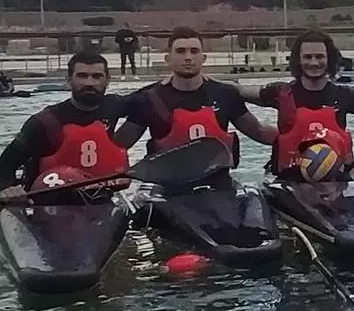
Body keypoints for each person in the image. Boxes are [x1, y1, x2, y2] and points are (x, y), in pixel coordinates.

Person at [115, 26, 277, 165]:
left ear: (203, 58)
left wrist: (293, 138)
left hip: (219, 184)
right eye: (180, 51)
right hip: (167, 186)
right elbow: (118, 146)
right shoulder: (147, 99)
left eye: (194, 51)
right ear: (168, 58)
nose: (188, 57)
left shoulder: (225, 94)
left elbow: (259, 132)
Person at [234, 30, 354, 177]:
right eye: (307, 57)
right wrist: (218, 86)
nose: (313, 62)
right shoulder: (280, 93)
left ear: (329, 59)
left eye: (319, 57)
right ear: (298, 60)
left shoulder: (345, 95)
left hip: (336, 179)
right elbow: (239, 91)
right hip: (289, 178)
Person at [0, 53, 133, 204]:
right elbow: (5, 165)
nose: (89, 83)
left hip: (99, 200)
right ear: (69, 80)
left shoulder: (114, 105)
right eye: (82, 76)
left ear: (108, 80)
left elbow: (146, 97)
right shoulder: (44, 122)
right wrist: (9, 189)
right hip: (49, 204)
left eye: (97, 76)